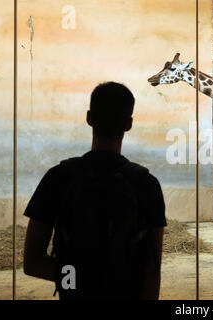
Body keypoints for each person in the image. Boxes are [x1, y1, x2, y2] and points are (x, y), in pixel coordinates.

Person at [23, 81, 166, 300]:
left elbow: (32, 262)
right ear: (128, 124)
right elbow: (152, 269)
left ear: (89, 118)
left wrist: (78, 280)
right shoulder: (146, 184)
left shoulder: (58, 178)